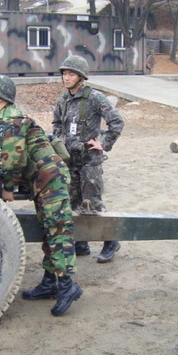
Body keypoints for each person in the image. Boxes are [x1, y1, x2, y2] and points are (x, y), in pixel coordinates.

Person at [0, 74, 82, 316]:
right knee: (48, 230)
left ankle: (67, 287)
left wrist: (8, 187)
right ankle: (49, 284)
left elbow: (15, 159)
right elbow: (1, 141)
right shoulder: (6, 120)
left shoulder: (11, 119)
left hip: (50, 179)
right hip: (45, 179)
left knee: (58, 231)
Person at [52, 55, 125, 263]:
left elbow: (117, 122)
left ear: (81, 77)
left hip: (90, 160)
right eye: (65, 73)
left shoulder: (95, 98)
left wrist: (104, 143)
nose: (66, 78)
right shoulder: (63, 99)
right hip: (70, 159)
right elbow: (56, 123)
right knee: (73, 202)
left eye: (71, 74)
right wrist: (59, 140)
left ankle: (111, 240)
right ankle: (81, 242)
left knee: (92, 202)